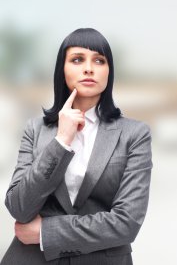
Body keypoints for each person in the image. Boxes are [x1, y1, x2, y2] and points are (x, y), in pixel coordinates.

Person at [1, 27, 153, 265]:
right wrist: (61, 141)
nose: (89, 68)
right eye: (77, 59)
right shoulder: (35, 129)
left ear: (109, 72)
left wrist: (45, 232)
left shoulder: (135, 134)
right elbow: (19, 207)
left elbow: (127, 223)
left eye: (99, 60)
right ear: (62, 69)